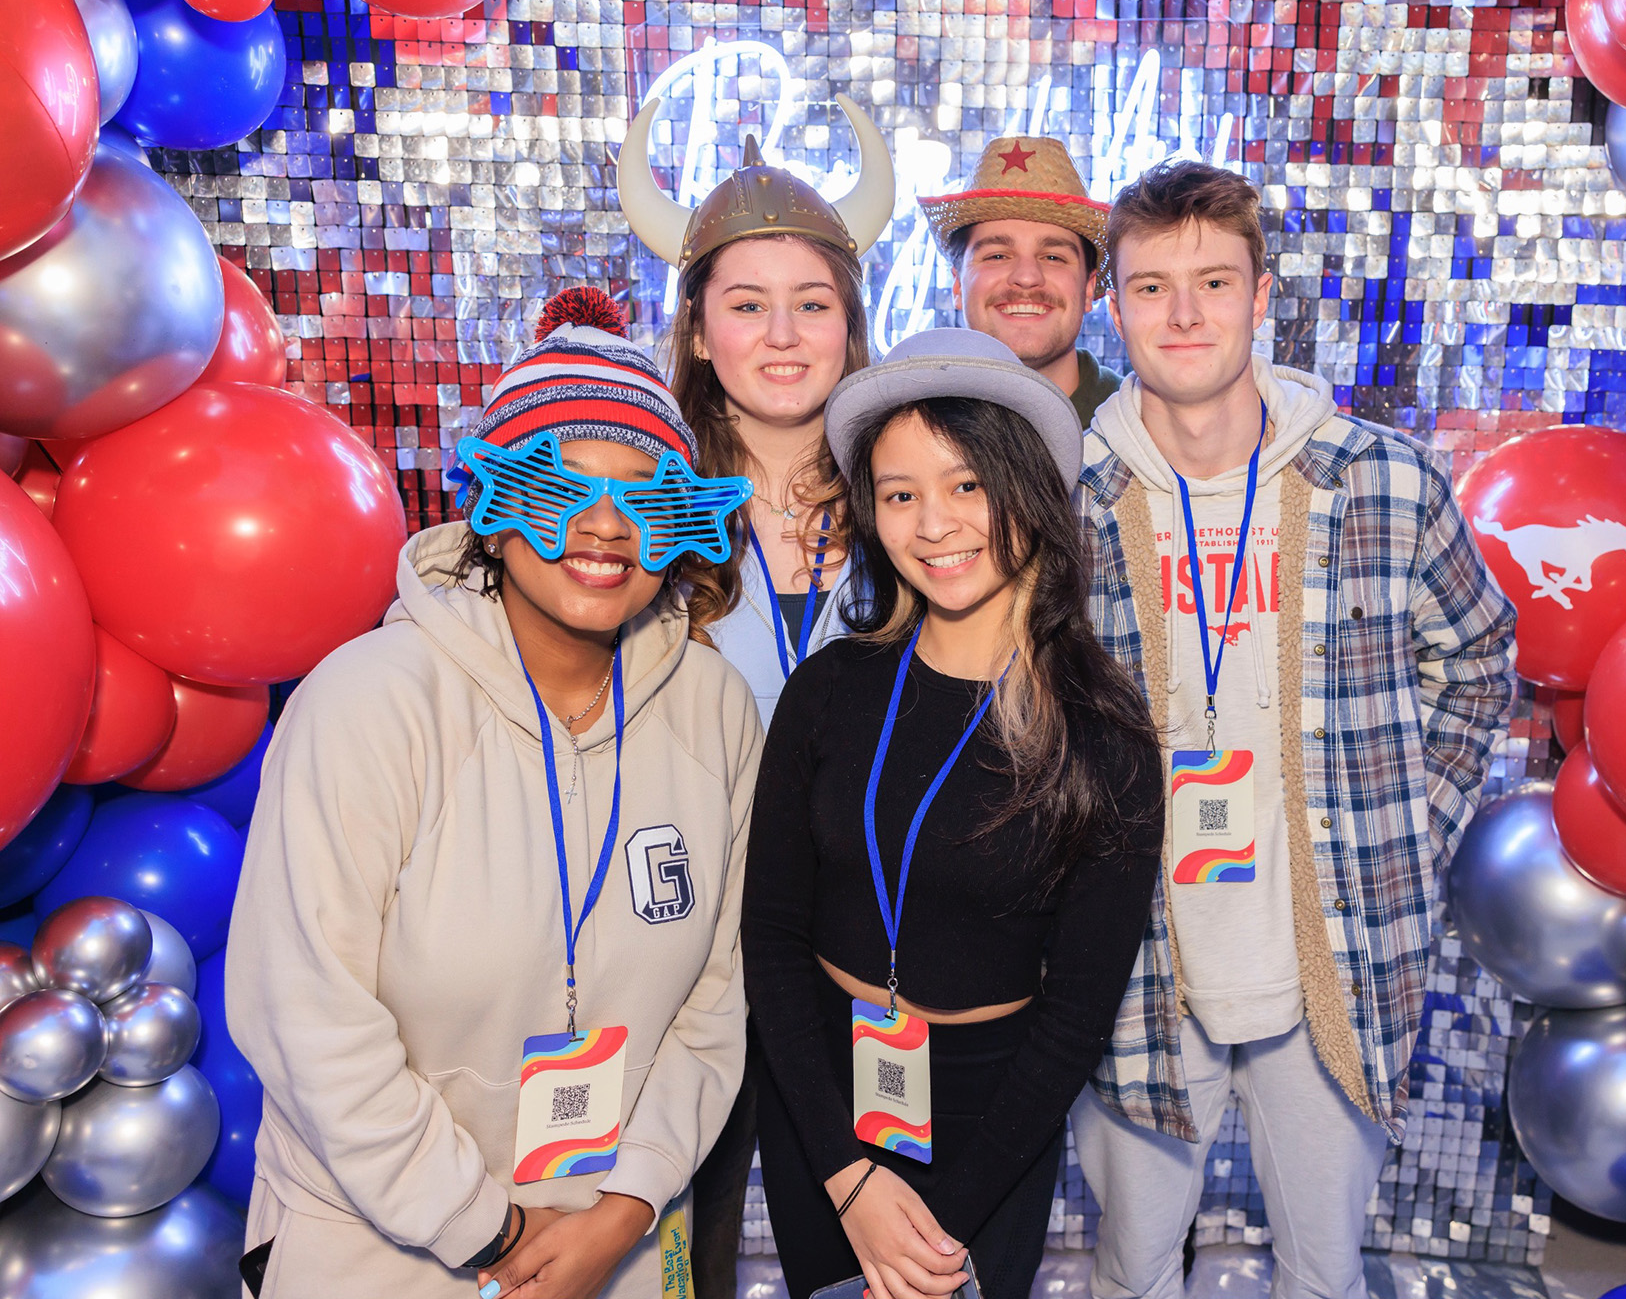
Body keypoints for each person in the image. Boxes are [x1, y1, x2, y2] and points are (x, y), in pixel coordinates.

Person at [227, 287, 762, 1299]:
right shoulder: (368, 704)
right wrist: (491, 1230)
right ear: (497, 503)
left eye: (645, 496)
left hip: (623, 1250)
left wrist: (625, 1209)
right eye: (563, 488)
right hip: (382, 1255)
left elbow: (716, 999)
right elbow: (307, 1018)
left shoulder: (714, 710)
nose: (605, 528)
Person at [1069, 162, 1518, 1299]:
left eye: (1213, 281)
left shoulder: (1385, 479)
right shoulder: (1069, 499)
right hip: (1137, 965)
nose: (1183, 314)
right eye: (1151, 287)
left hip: (1340, 954)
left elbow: (1478, 658)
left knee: (1323, 1271)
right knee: (1131, 1269)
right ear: (1111, 307)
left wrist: (1413, 819)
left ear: (1263, 295)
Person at [742, 328, 1165, 1299]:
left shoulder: (1105, 738)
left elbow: (1073, 1022)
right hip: (823, 1102)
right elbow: (769, 940)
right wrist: (849, 1177)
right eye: (900, 494)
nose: (934, 523)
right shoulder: (830, 691)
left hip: (991, 1125)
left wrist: (936, 1222)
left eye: (967, 483)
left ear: (1026, 491)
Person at [619, 94, 894, 1299]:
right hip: (678, 959)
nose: (783, 336)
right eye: (746, 304)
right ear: (696, 331)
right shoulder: (634, 514)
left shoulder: (913, 495)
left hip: (858, 958)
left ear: (852, 323)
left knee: (864, 1255)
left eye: (813, 303)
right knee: (689, 1249)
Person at [919, 138, 1122, 426]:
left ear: (1089, 289)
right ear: (958, 286)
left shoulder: (1147, 426)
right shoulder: (912, 425)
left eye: (1053, 257)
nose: (1027, 277)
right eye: (998, 255)